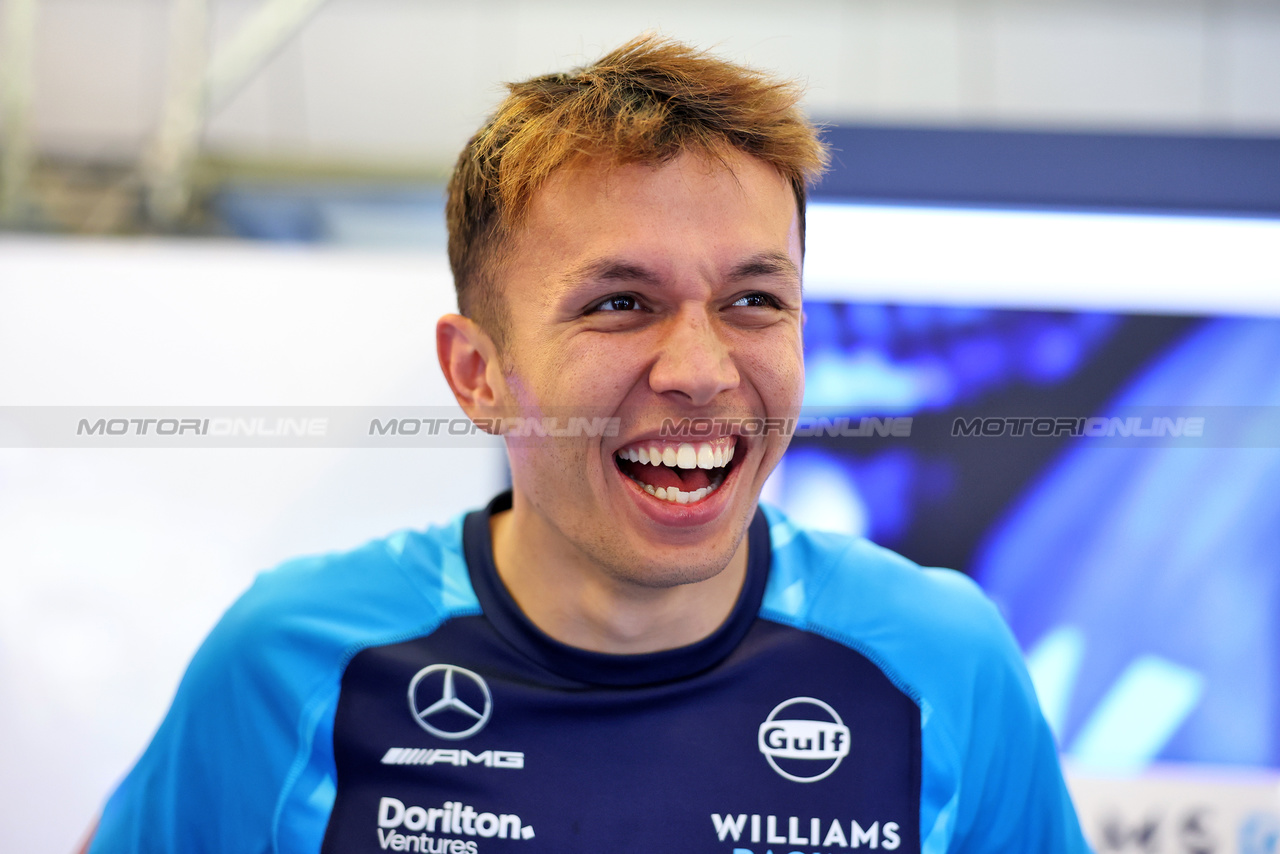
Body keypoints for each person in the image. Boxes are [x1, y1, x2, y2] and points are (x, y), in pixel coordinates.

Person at [87, 35, 1090, 853]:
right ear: (477, 372)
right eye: (619, 303)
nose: (699, 369)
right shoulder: (294, 658)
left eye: (752, 299)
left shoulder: (938, 665)